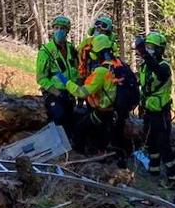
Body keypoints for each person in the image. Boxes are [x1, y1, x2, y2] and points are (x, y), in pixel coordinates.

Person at [66, 33, 136, 164]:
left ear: (96, 52)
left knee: (80, 129)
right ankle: (115, 156)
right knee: (109, 137)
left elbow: (82, 92)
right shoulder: (119, 65)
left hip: (104, 113)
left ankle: (80, 158)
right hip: (117, 112)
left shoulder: (101, 72)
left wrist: (67, 83)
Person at [136, 30, 175, 186]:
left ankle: (173, 179)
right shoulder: (144, 67)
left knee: (163, 145)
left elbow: (159, 73)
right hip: (148, 111)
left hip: (161, 113)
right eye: (147, 46)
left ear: (160, 50)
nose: (148, 50)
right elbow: (143, 85)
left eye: (151, 47)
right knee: (150, 143)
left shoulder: (164, 67)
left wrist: (144, 54)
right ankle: (154, 171)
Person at [36, 15, 79, 139]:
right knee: (58, 118)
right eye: (56, 28)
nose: (59, 31)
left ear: (67, 31)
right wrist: (57, 93)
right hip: (53, 93)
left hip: (70, 92)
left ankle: (70, 146)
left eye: (62, 28)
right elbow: (41, 78)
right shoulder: (46, 51)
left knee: (71, 123)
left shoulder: (71, 49)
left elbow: (76, 70)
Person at [76, 13, 114, 78]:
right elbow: (78, 52)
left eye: (101, 30)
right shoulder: (88, 41)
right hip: (86, 75)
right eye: (97, 29)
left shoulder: (109, 46)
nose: (98, 31)